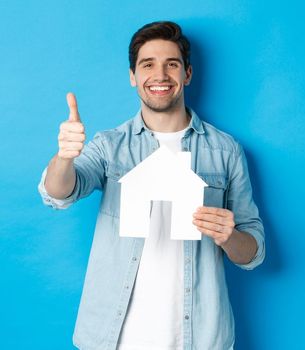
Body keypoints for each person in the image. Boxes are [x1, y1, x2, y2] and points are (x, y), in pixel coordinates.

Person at [38, 21, 265, 350]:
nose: (160, 75)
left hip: (200, 338)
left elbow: (253, 252)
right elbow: (60, 192)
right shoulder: (109, 146)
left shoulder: (225, 151)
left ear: (187, 74)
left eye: (171, 64)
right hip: (113, 339)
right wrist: (64, 158)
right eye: (148, 65)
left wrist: (230, 237)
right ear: (133, 76)